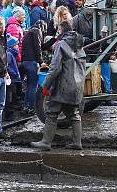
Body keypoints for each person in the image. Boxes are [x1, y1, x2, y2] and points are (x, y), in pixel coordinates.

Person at [30, 21, 86, 151]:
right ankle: (77, 142)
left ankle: (45, 142)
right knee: (74, 113)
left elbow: (54, 69)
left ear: (61, 31)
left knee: (51, 112)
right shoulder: (79, 45)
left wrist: (45, 86)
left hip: (63, 85)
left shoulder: (61, 45)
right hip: (77, 86)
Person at [21, 20, 46, 113]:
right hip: (32, 62)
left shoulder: (29, 33)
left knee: (29, 86)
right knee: (33, 86)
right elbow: (38, 47)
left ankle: (26, 106)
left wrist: (54, 39)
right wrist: (41, 61)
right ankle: (32, 107)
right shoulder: (37, 31)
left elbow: (42, 46)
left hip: (25, 62)